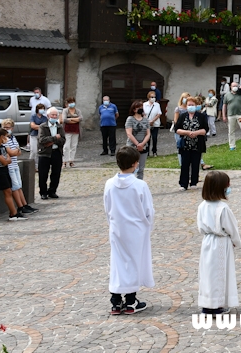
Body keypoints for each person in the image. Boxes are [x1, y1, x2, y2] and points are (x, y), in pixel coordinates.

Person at [104, 146, 154, 315]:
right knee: (134, 262)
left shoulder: (110, 184)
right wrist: (148, 224)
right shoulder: (140, 185)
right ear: (135, 164)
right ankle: (131, 300)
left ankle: (116, 300)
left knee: (118, 262)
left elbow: (107, 207)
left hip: (117, 228)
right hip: (136, 229)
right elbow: (148, 210)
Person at [197, 171, 241, 315]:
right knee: (220, 273)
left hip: (207, 242)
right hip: (222, 243)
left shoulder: (202, 206)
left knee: (208, 273)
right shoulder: (223, 208)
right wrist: (236, 241)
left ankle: (207, 304)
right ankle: (217, 305)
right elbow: (231, 227)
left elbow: (200, 227)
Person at [0, 129, 28, 221]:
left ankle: (13, 212)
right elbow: (4, 161)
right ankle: (13, 213)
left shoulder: (2, 147)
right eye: (6, 136)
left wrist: (6, 159)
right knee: (7, 192)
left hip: (5, 171)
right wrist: (6, 159)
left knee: (9, 191)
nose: (7, 138)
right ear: (2, 137)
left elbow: (9, 160)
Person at [1, 119, 36, 215]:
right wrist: (15, 152)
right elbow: (11, 152)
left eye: (8, 127)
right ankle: (20, 206)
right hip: (9, 166)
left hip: (15, 164)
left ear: (12, 128)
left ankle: (24, 204)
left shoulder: (13, 138)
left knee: (19, 186)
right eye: (5, 127)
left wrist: (15, 152)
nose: (7, 129)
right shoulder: (4, 139)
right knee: (15, 186)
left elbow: (19, 151)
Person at [176, 97, 209, 190]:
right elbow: (177, 129)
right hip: (185, 144)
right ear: (186, 106)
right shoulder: (183, 116)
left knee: (195, 163)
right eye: (189, 105)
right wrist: (187, 132)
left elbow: (205, 129)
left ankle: (194, 182)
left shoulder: (201, 116)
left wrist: (196, 133)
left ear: (196, 106)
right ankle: (183, 184)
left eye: (192, 105)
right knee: (185, 164)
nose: (191, 106)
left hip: (197, 144)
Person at [38, 107, 65, 200]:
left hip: (56, 152)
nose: (54, 116)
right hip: (45, 153)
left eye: (56, 115)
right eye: (52, 115)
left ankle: (52, 191)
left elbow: (62, 139)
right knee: (43, 174)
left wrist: (52, 141)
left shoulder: (59, 127)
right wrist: (54, 138)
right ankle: (43, 192)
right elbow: (42, 140)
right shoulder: (43, 126)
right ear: (48, 116)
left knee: (56, 173)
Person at [125, 101, 151, 180]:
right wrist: (137, 144)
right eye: (138, 108)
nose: (140, 109)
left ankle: (139, 184)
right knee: (131, 167)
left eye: (141, 107)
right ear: (134, 109)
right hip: (132, 146)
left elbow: (148, 134)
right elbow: (129, 133)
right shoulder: (130, 119)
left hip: (143, 146)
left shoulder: (146, 120)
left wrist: (142, 144)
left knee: (141, 168)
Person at [60, 97, 82, 168]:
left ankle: (71, 160)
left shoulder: (77, 110)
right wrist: (75, 119)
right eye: (70, 102)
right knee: (66, 146)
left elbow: (80, 118)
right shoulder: (65, 110)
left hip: (75, 130)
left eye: (72, 102)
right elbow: (64, 120)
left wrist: (71, 119)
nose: (71, 104)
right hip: (67, 130)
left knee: (74, 146)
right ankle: (64, 161)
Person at [29, 104, 47, 169]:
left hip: (41, 136)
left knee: (39, 151)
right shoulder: (33, 117)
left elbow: (45, 127)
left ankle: (37, 166)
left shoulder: (45, 118)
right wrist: (40, 127)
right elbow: (32, 126)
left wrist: (37, 126)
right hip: (33, 135)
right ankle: (30, 165)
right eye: (40, 108)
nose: (42, 110)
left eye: (43, 108)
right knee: (33, 151)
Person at [144, 93, 162, 157]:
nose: (153, 98)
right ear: (148, 97)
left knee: (154, 138)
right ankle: (147, 152)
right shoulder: (144, 105)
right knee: (147, 138)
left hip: (155, 124)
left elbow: (159, 114)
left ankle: (154, 151)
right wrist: (148, 121)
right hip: (147, 124)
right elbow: (143, 114)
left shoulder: (157, 105)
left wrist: (153, 121)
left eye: (154, 97)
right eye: (152, 97)